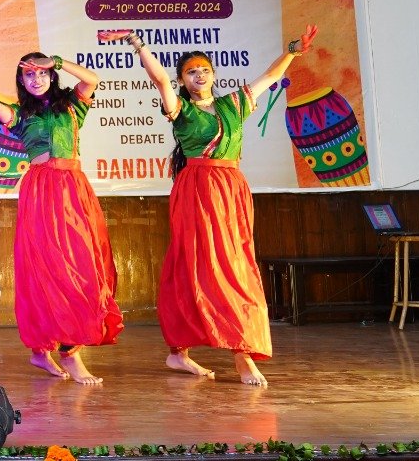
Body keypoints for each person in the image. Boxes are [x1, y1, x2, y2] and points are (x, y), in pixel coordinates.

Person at [124, 25, 318, 387]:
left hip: (231, 189)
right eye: (191, 72)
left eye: (204, 69)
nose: (199, 75)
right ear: (183, 80)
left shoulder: (233, 104)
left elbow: (270, 76)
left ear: (213, 74)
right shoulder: (180, 109)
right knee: (199, 265)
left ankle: (204, 350)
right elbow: (159, 79)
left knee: (235, 265)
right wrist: (138, 44)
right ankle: (225, 355)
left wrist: (293, 50)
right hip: (197, 190)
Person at [0, 52, 121, 385]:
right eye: (28, 75)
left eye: (41, 73)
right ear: (21, 81)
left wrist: (55, 61)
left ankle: (46, 350)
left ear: (51, 74)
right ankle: (65, 352)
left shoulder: (72, 105)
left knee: (82, 266)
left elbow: (92, 79)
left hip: (74, 189)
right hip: (42, 191)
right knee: (50, 267)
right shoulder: (21, 114)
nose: (36, 79)